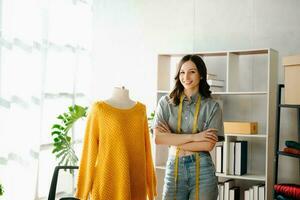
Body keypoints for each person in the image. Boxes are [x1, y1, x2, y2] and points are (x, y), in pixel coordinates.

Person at [153, 55, 224, 200]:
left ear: (201, 75)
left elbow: (208, 144)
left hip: (203, 171)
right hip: (174, 169)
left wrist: (172, 139)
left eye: (192, 71)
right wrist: (195, 137)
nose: (186, 77)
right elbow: (158, 138)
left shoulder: (212, 106)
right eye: (182, 72)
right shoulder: (165, 103)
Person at [75, 86, 157, 200]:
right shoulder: (99, 109)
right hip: (108, 180)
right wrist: (82, 190)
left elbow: (147, 149)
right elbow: (89, 149)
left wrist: (151, 186)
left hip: (136, 182)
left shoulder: (141, 110)